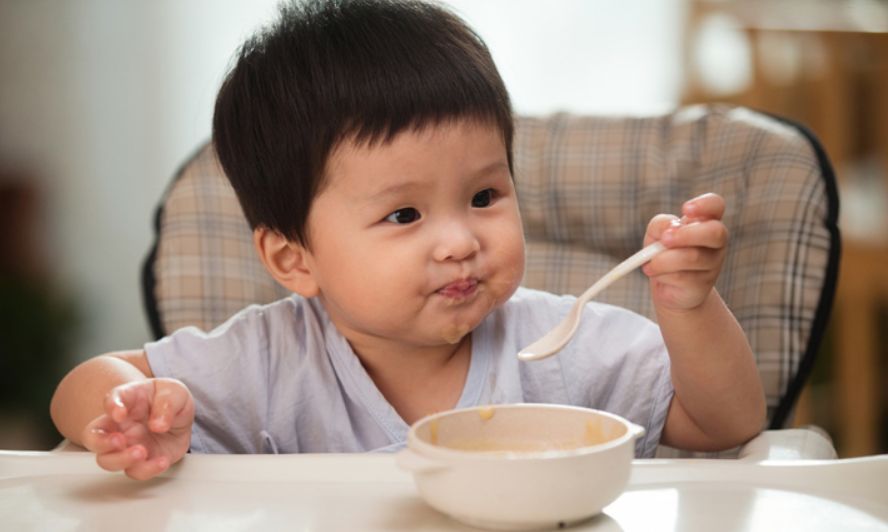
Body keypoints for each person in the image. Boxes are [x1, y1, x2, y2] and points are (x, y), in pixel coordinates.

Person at [50, 0, 765, 480]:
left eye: (484, 197)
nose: (459, 241)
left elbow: (724, 424)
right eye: (404, 216)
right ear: (293, 260)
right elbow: (84, 383)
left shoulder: (565, 348)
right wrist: (130, 416)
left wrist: (689, 307)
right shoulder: (267, 363)